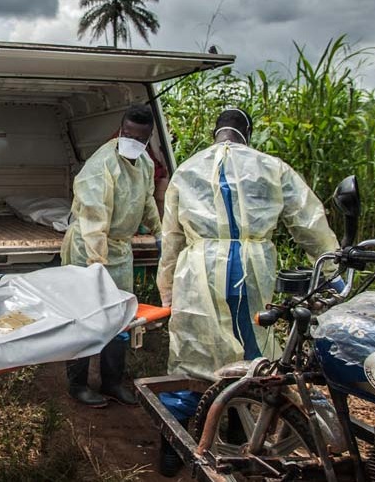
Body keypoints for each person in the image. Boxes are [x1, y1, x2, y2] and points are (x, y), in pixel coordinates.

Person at [156, 108, 342, 421]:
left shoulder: (187, 170)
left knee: (194, 348)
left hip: (198, 268)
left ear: (215, 132)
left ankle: (177, 429)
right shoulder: (271, 167)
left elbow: (172, 237)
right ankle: (247, 421)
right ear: (248, 134)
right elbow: (309, 223)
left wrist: (167, 290)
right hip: (251, 268)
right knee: (254, 347)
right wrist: (331, 272)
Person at [61, 103, 163, 407]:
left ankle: (112, 381)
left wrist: (159, 233)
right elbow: (94, 222)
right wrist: (96, 266)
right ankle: (77, 384)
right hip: (88, 249)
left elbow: (146, 202)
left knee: (119, 318)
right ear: (120, 131)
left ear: (148, 139)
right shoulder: (101, 165)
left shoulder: (144, 163)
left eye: (140, 138)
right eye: (128, 135)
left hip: (119, 247)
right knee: (84, 317)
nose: (134, 142)